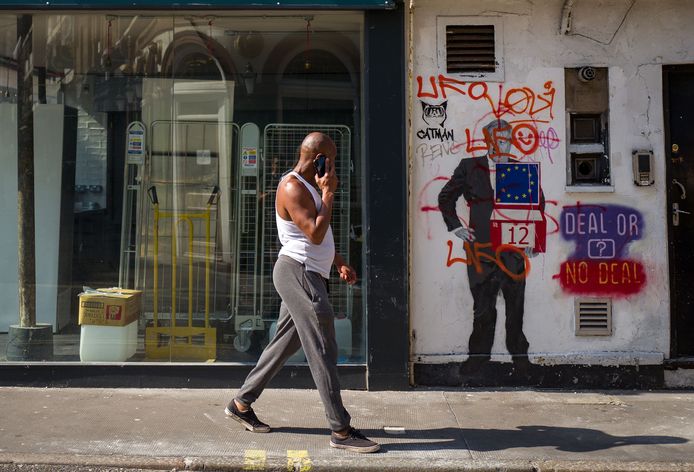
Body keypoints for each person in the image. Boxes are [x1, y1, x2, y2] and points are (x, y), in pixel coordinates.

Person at [225, 132, 380, 454]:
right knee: (323, 346)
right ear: (319, 159)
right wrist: (329, 193)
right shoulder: (293, 186)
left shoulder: (309, 188)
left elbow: (317, 235)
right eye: (332, 160)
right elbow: (313, 231)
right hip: (298, 272)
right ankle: (340, 429)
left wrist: (337, 262)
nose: (335, 167)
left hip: (312, 272)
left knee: (283, 345)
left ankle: (241, 403)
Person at [437, 119, 543, 377]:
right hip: (480, 250)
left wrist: (534, 240)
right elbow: (445, 197)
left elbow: (538, 205)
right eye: (498, 139)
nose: (504, 143)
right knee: (483, 308)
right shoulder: (470, 166)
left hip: (513, 251)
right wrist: (455, 228)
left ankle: (520, 359)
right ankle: (478, 359)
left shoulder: (520, 169)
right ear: (488, 141)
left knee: (515, 307)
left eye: (507, 138)